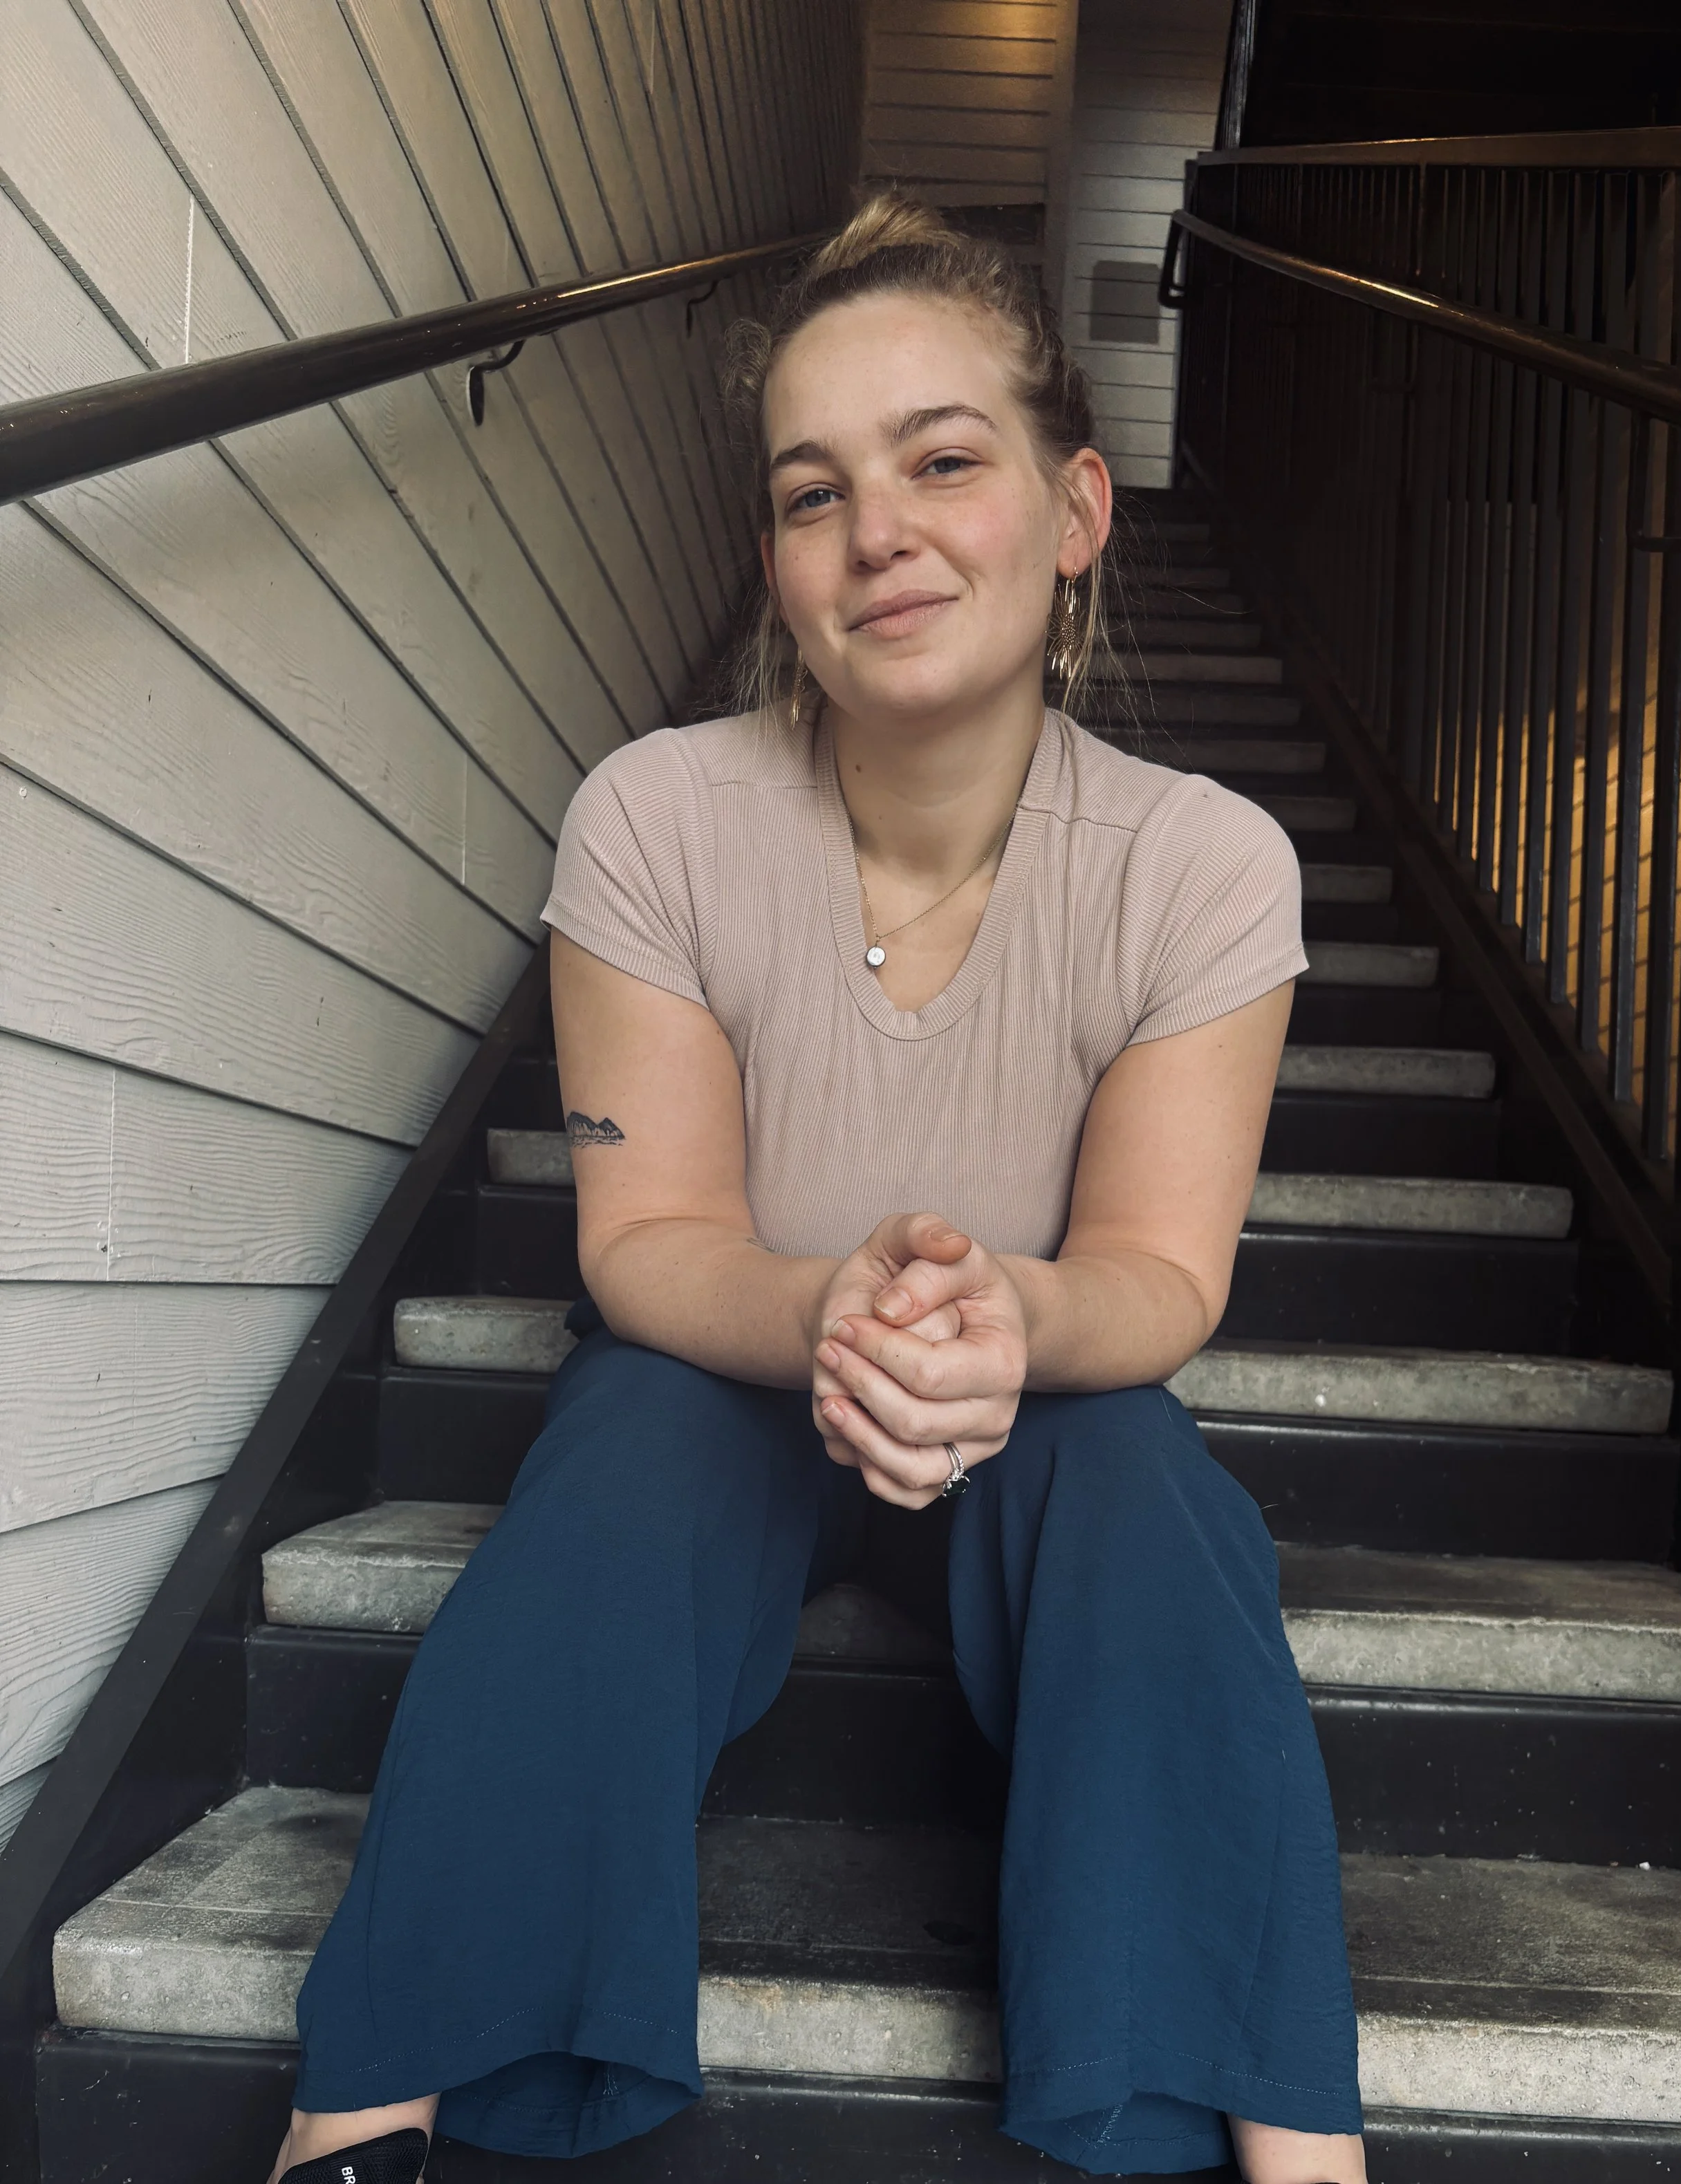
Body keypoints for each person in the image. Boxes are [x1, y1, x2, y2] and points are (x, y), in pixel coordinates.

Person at [271, 195, 1366, 2184]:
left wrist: (1010, 1318)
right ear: (776, 565)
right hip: (722, 1364)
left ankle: (1294, 2153)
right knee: (613, 1470)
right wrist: (832, 1312)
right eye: (812, 491)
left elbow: (1155, 1269)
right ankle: (356, 2129)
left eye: (942, 460)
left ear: (1076, 507)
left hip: (1038, 1398)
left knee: (1152, 1500)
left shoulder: (1202, 865)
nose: (877, 533)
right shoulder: (656, 817)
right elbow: (649, 1239)